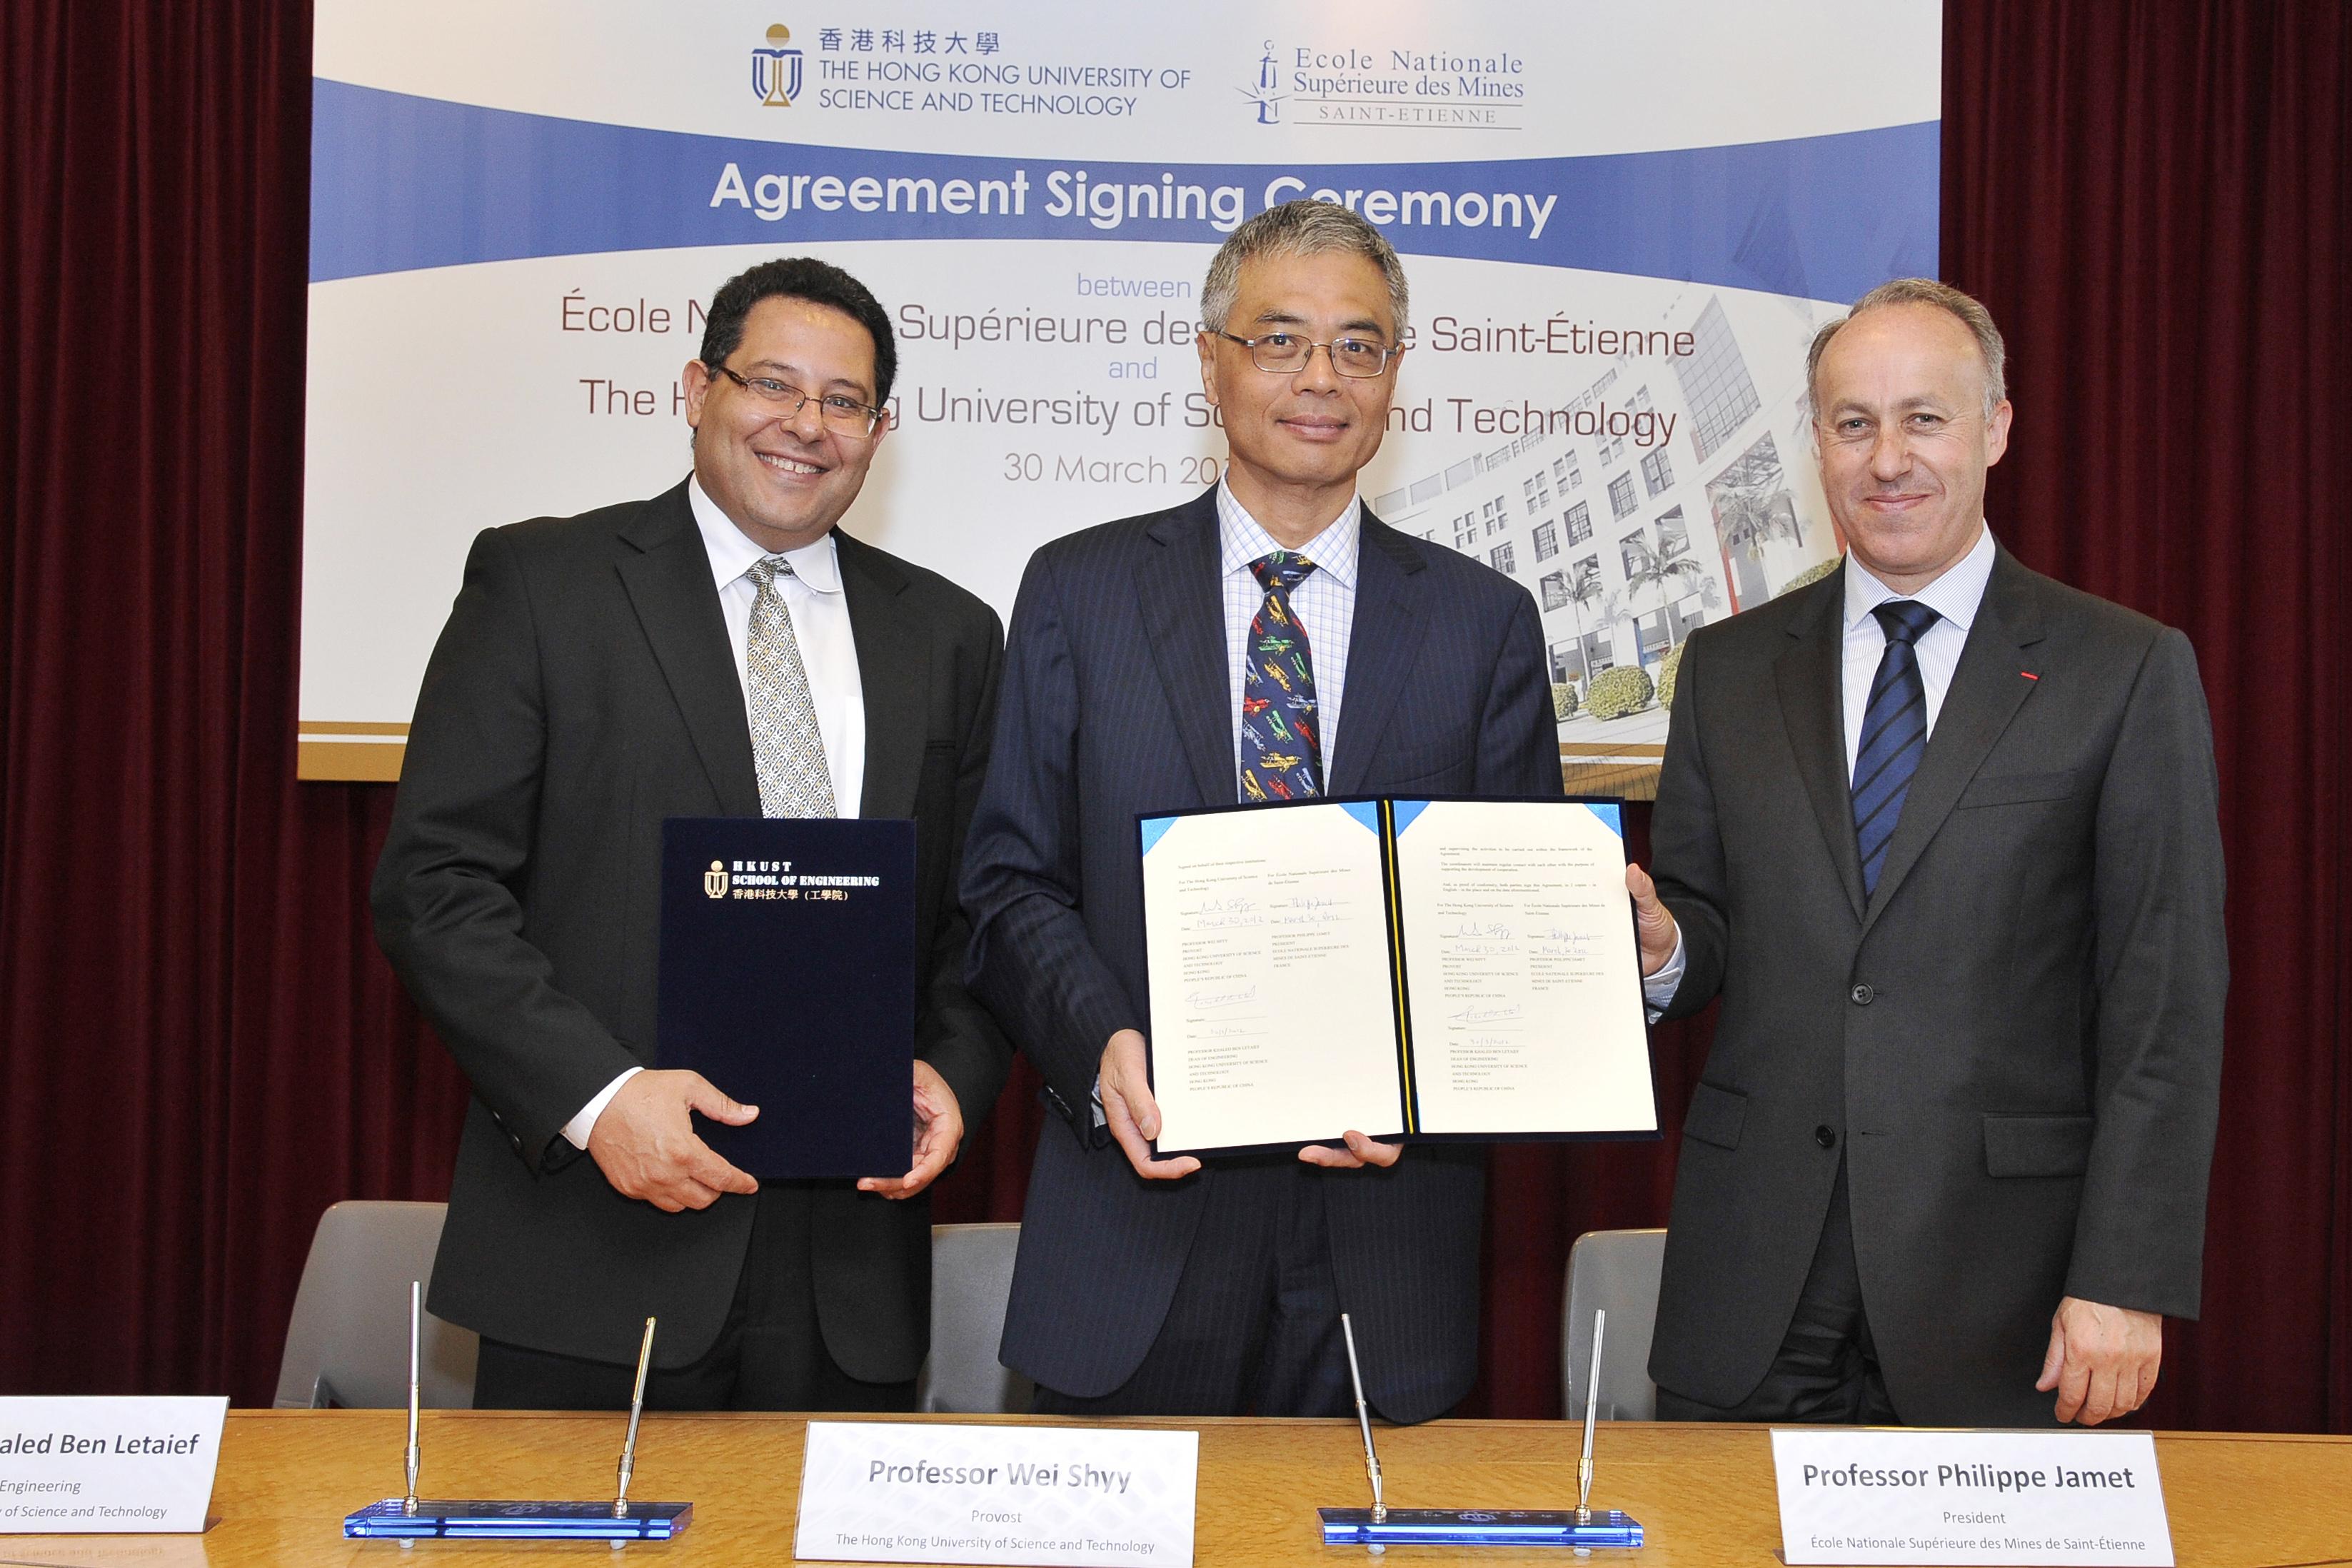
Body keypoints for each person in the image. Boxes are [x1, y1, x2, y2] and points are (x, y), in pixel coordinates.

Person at [960, 201, 1561, 1423]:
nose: (1319, 378)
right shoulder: (1078, 591)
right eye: (1279, 338)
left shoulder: (1481, 622)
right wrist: (1097, 1051)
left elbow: (1506, 924)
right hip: (1136, 1214)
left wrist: (1426, 1083)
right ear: (1209, 360)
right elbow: (1009, 881)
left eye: (1359, 344)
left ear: (1396, 374)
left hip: (1384, 1243)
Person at [373, 257, 1010, 1411]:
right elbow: (438, 885)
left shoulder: (951, 635)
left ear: (879, 430)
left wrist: (951, 1077)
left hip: (847, 1272)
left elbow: (976, 918)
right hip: (594, 1245)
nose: (805, 426)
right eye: (772, 383)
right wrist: (599, 1099)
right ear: (695, 387)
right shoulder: (543, 582)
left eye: (844, 401)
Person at [1627, 278, 2226, 1427]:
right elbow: (1708, 931)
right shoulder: (1725, 668)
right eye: (1852, 423)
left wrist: (2124, 1276)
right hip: (1755, 1273)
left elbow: (2164, 998)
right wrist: (1662, 950)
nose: (1885, 458)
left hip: (2004, 1284)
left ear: (1995, 428)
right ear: (1817, 442)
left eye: (1924, 418)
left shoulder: (2122, 669)